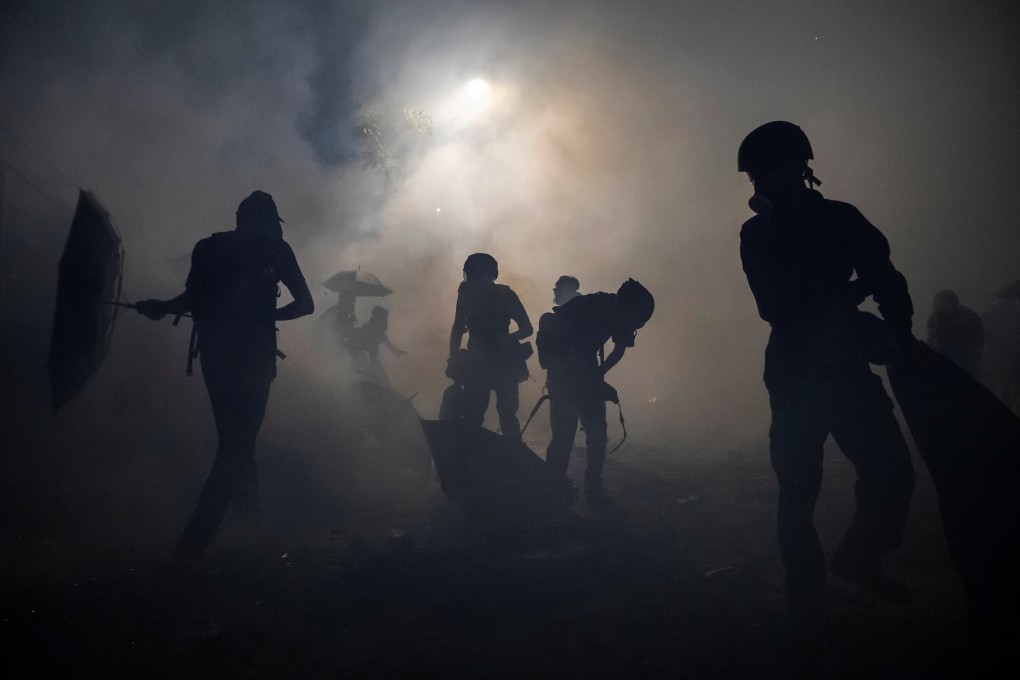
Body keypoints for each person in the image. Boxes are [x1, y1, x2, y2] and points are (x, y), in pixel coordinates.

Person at [737, 122, 916, 622]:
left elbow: (887, 277)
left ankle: (858, 558)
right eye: (753, 178)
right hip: (796, 377)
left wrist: (896, 331)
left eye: (762, 174)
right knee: (798, 491)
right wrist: (854, 308)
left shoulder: (840, 220)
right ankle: (806, 595)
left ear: (796, 169)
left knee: (893, 474)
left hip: (843, 370)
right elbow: (775, 307)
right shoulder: (758, 233)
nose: (756, 186)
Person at [135, 190, 314, 561]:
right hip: (254, 360)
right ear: (268, 221)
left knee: (237, 444)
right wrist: (269, 318)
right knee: (235, 449)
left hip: (216, 360)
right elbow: (305, 304)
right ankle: (191, 547)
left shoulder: (208, 248)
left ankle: (255, 534)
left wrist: (160, 307)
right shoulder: (277, 251)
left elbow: (190, 300)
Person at [536, 278, 654, 502]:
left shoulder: (622, 314)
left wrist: (600, 374)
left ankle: (592, 485)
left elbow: (619, 348)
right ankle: (550, 487)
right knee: (564, 433)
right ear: (624, 305)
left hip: (585, 367)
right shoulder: (590, 309)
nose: (637, 325)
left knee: (597, 432)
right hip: (563, 369)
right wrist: (597, 383)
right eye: (637, 319)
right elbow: (573, 356)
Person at [448, 253, 533, 442]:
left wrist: (452, 358)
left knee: (474, 417)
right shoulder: (505, 294)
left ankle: (473, 460)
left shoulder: (467, 294)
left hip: (479, 363)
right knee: (507, 417)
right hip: (503, 362)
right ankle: (513, 459)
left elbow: (457, 328)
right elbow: (526, 329)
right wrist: (507, 340)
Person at [925, 289, 984, 377]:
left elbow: (930, 342)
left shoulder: (938, 315)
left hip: (944, 366)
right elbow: (980, 341)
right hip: (970, 366)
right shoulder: (972, 316)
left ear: (937, 303)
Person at [345, 305, 407, 384]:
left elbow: (387, 343)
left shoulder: (379, 332)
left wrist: (397, 352)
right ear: (377, 319)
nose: (385, 323)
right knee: (365, 378)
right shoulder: (367, 330)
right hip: (362, 360)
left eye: (385, 320)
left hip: (372, 360)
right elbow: (352, 339)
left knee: (383, 379)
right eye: (383, 320)